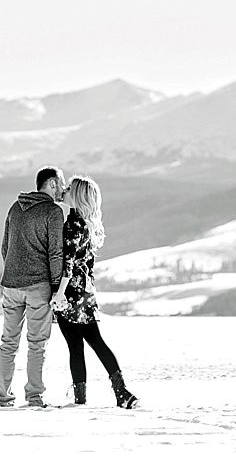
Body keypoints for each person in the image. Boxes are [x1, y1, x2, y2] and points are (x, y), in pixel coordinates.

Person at [51, 175, 139, 408]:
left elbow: (67, 265)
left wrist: (59, 295)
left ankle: (81, 400)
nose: (65, 189)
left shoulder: (71, 225)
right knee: (97, 341)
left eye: (70, 188)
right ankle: (122, 392)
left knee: (75, 346)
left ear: (77, 196)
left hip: (69, 293)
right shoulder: (88, 224)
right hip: (87, 292)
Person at [0, 165, 65, 408]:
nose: (64, 189)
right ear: (53, 184)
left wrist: (14, 271)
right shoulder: (53, 212)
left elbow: (5, 247)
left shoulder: (15, 207)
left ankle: (4, 395)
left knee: (9, 341)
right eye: (62, 184)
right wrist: (57, 288)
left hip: (11, 285)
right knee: (37, 343)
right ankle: (34, 396)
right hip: (38, 285)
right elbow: (56, 253)